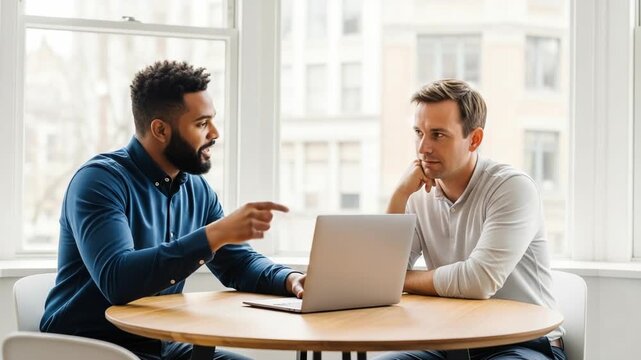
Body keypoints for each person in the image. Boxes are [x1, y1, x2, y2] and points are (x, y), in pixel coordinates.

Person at [40, 60, 305, 360]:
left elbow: (237, 263)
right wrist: (214, 234)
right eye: (201, 123)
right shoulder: (99, 181)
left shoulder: (196, 189)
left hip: (158, 345)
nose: (215, 133)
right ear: (161, 130)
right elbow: (118, 280)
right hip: (92, 349)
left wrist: (290, 279)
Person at [376, 79, 566, 360]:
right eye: (419, 132)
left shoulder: (511, 187)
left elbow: (478, 282)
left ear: (474, 139)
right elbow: (381, 276)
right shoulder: (417, 192)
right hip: (448, 343)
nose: (423, 148)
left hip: (522, 342)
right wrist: (399, 193)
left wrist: (402, 279)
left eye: (438, 135)